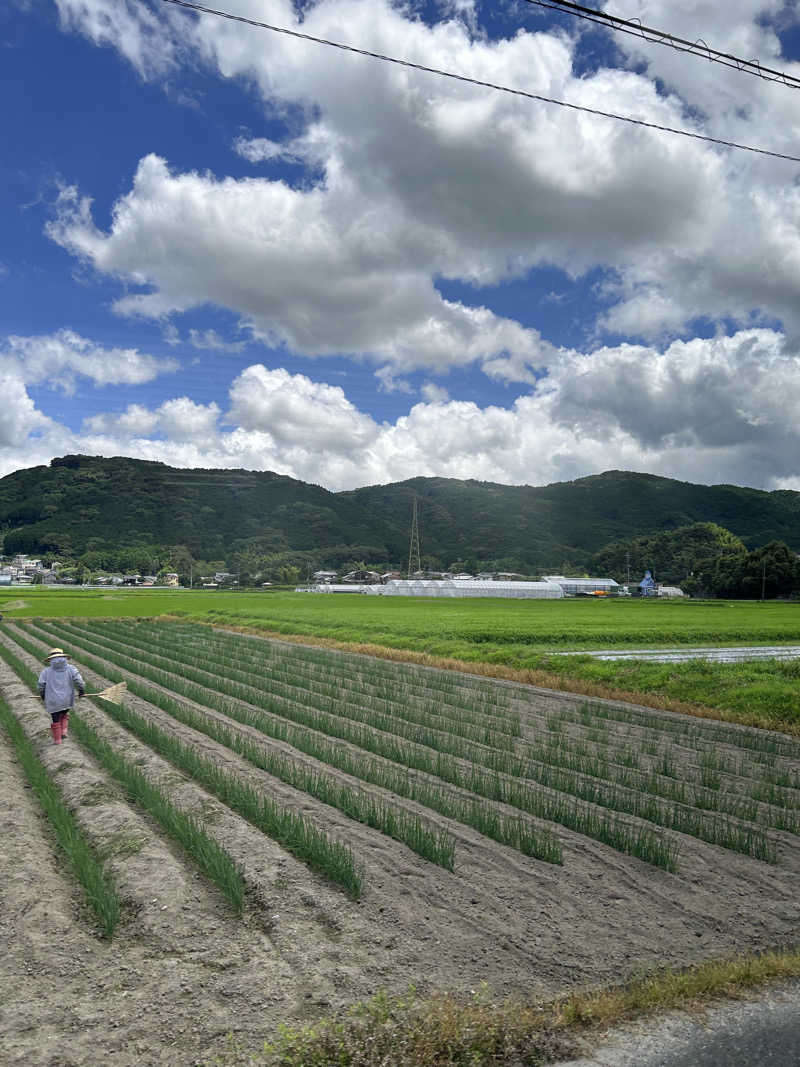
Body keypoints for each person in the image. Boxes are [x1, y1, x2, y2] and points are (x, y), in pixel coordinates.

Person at [37, 647, 84, 745]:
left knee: (55, 718)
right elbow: (79, 680)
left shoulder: (46, 671)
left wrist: (42, 694)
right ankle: (64, 731)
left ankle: (58, 740)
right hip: (67, 698)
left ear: (51, 659)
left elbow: (41, 684)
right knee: (64, 713)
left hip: (53, 700)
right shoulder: (71, 669)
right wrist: (81, 690)